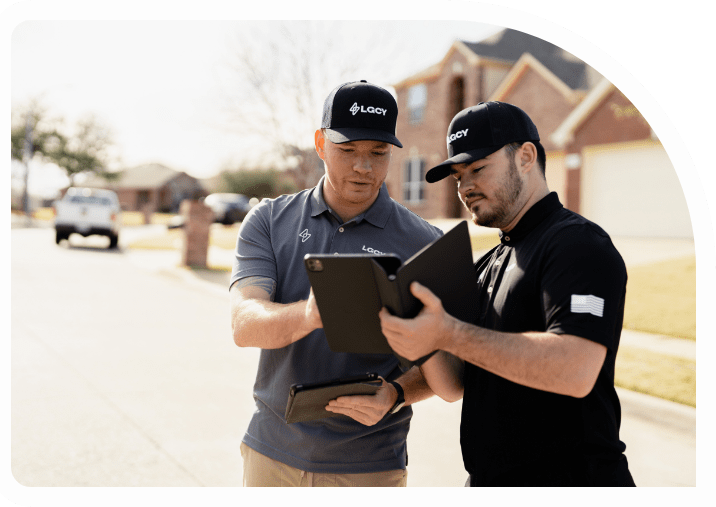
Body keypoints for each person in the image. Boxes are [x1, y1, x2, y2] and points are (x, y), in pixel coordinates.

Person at [380, 101, 636, 487]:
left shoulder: (578, 245)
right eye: (457, 176)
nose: (465, 187)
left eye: (478, 169)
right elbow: (454, 385)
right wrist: (421, 339)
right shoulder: (488, 262)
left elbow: (576, 369)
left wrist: (449, 333)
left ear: (526, 156)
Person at [229, 80, 442, 487]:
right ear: (320, 143)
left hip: (370, 464)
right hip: (271, 453)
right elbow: (243, 324)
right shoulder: (269, 221)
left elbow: (446, 363)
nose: (364, 167)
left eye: (378, 154)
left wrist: (397, 393)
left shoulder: (424, 241)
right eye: (348, 151)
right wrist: (309, 314)